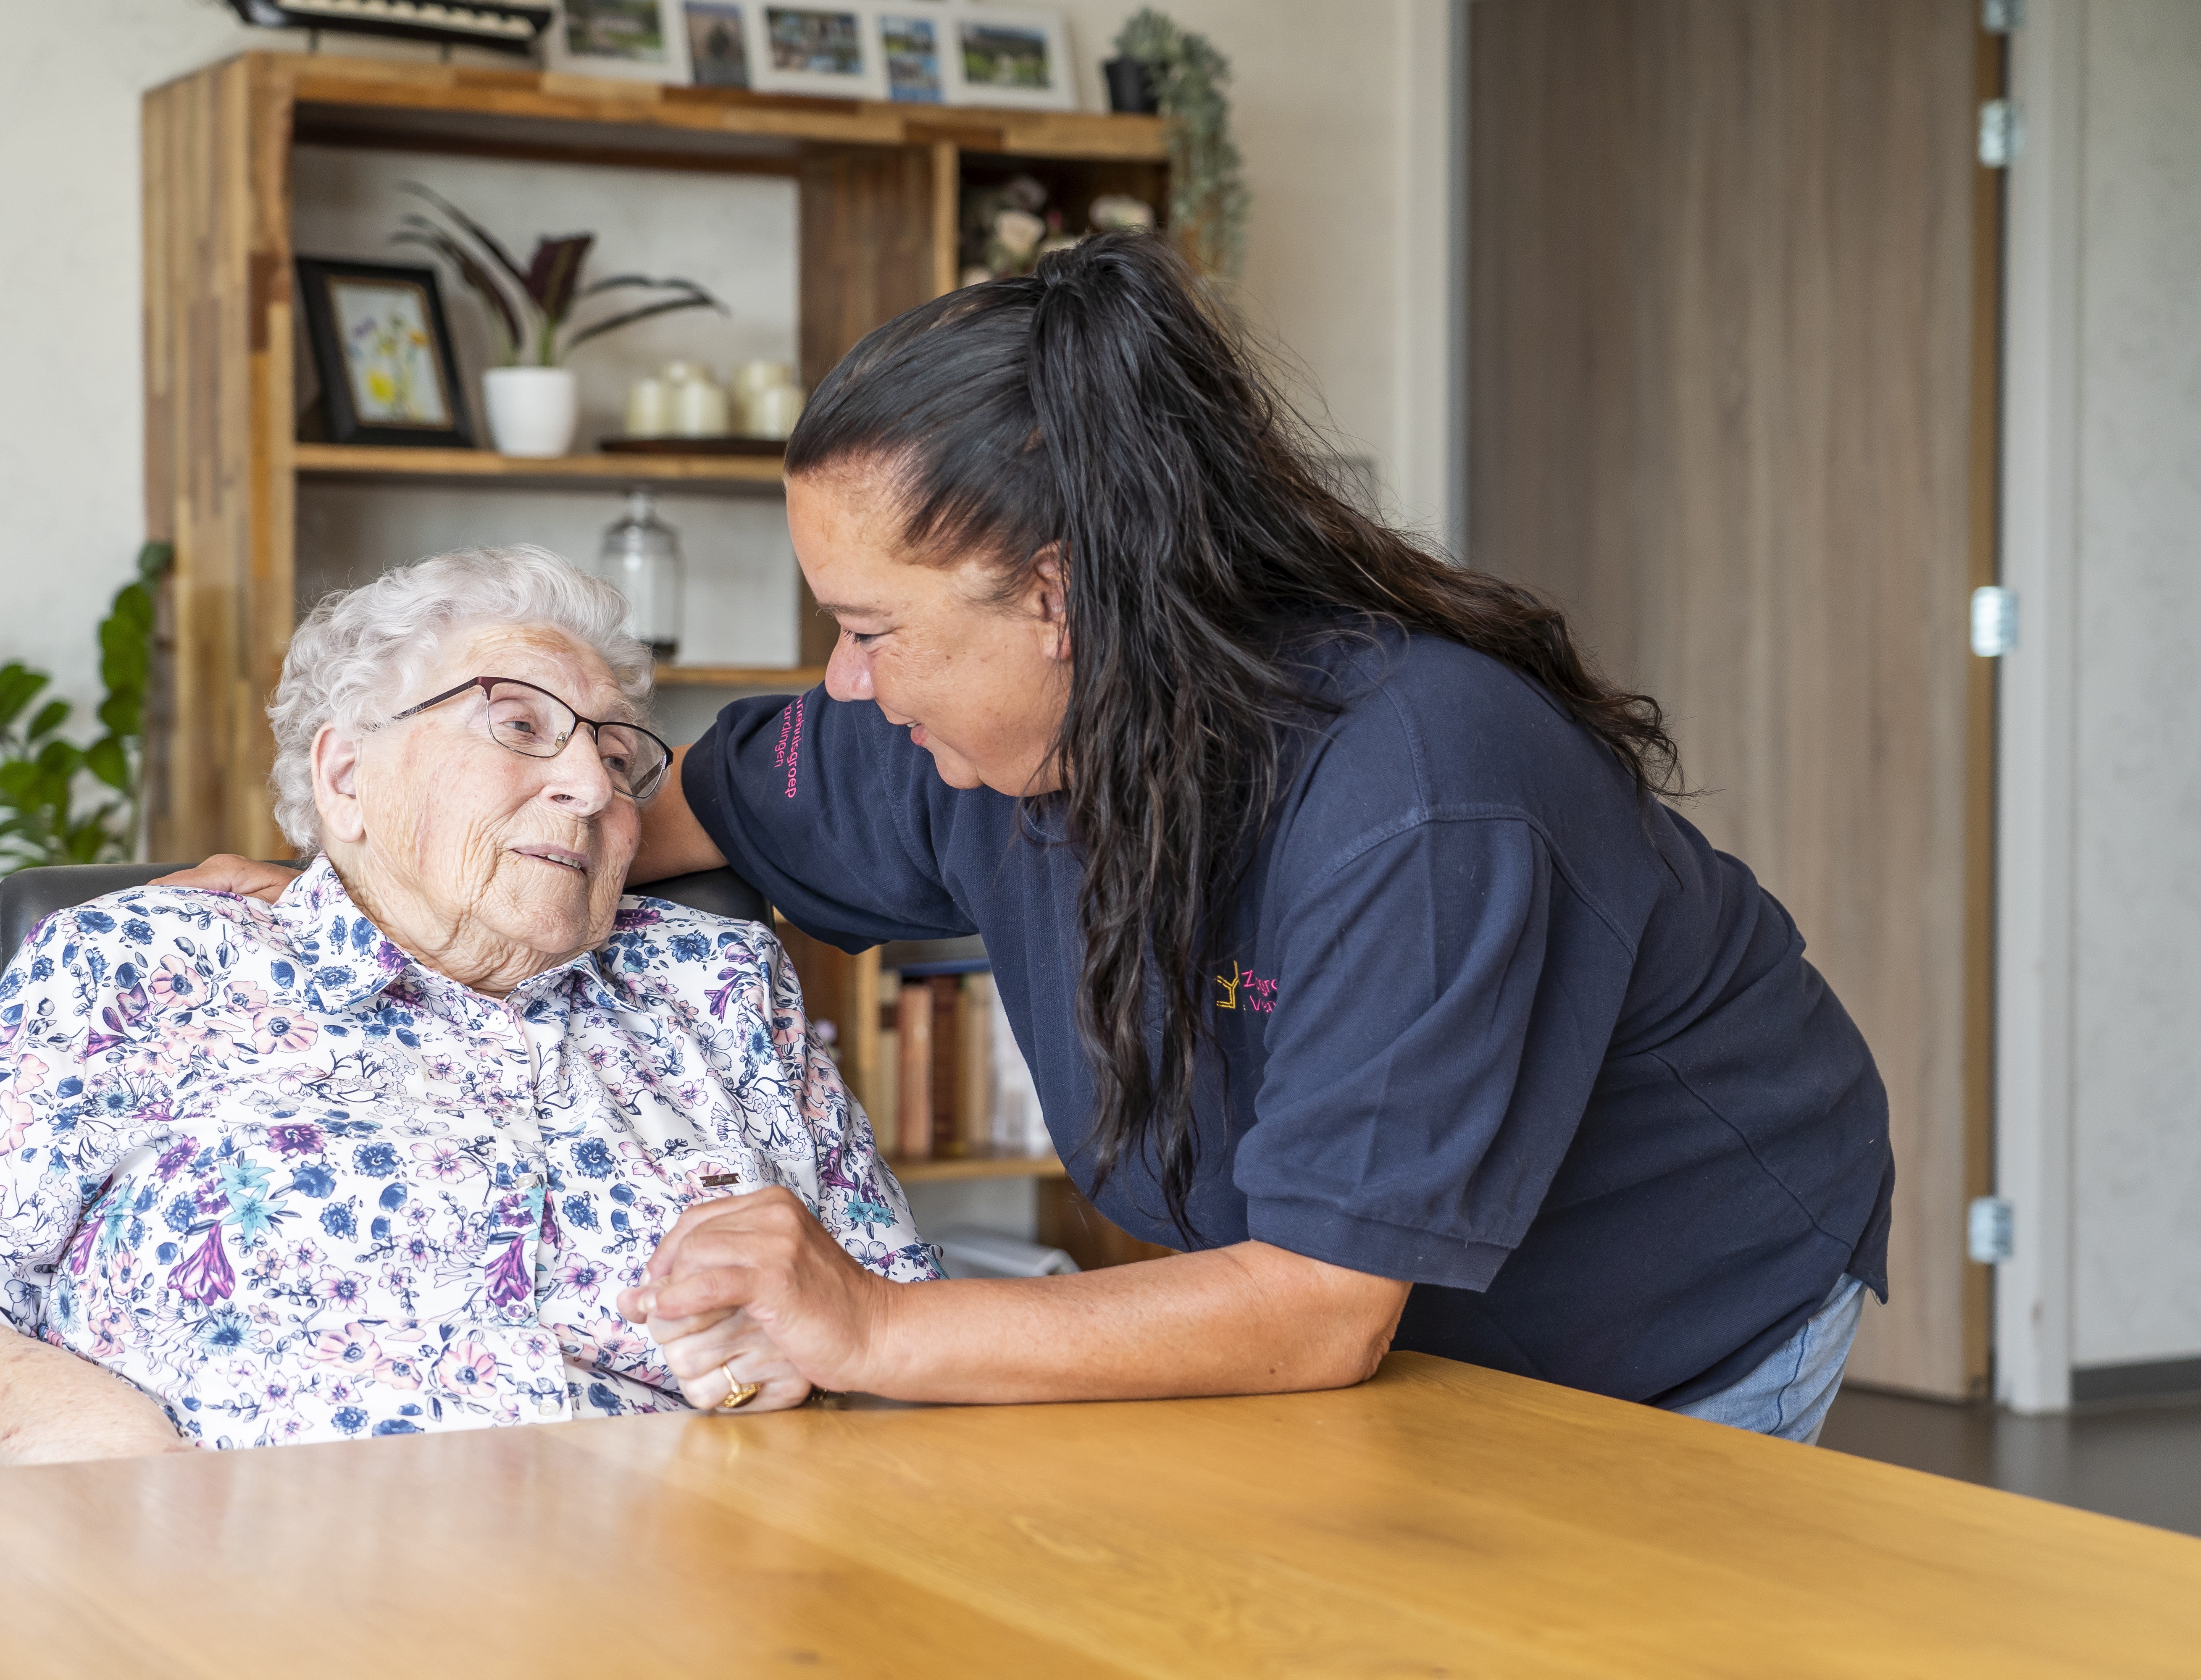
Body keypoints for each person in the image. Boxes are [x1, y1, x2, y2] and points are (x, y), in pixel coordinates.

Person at [187, 234, 1893, 1444]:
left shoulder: (1421, 786)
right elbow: (657, 806)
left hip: (1668, 1308)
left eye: (873, 626)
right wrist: (360, 891)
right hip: (1369, 1343)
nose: (840, 679)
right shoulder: (939, 738)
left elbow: (1311, 1309)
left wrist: (867, 1323)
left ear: (1059, 600)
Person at [0, 548, 934, 1466]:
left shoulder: (722, 988)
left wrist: (811, 1367)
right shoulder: (140, 966)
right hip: (239, 1596)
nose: (594, 788)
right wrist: (89, 1444)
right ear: (346, 778)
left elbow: (903, 1329)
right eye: (518, 727)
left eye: (614, 755)